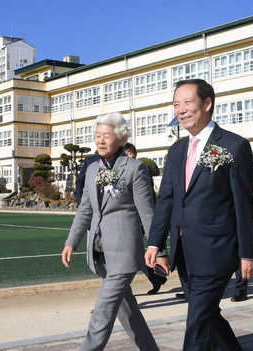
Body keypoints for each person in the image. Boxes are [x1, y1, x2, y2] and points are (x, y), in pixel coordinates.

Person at [145, 79, 253, 351]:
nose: (181, 110)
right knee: (206, 313)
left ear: (207, 103)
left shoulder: (233, 146)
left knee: (196, 321)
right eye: (175, 104)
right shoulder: (176, 151)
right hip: (184, 251)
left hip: (217, 249)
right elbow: (167, 201)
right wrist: (155, 243)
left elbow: (244, 204)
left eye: (187, 102)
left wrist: (248, 254)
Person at [62, 112, 159, 351]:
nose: (100, 141)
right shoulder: (92, 169)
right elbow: (85, 209)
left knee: (102, 313)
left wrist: (159, 247)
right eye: (97, 136)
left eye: (107, 135)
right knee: (128, 312)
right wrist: (71, 241)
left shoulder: (135, 169)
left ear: (121, 138)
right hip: (99, 252)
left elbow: (147, 213)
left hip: (124, 253)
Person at [123, 142, 168, 294]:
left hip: (142, 219)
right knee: (133, 253)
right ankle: (156, 279)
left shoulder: (141, 169)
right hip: (129, 219)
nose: (128, 156)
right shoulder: (121, 169)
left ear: (135, 154)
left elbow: (148, 198)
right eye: (126, 153)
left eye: (130, 153)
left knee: (131, 253)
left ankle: (119, 291)